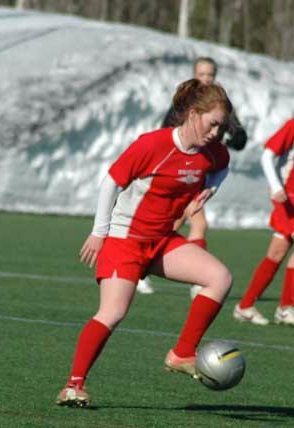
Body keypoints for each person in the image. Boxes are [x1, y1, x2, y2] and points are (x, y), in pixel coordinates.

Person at [56, 78, 233, 408]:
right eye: (212, 124)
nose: (215, 134)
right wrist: (99, 231)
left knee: (220, 278)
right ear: (194, 113)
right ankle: (73, 385)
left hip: (162, 240)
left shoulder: (212, 152)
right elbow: (111, 182)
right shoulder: (153, 145)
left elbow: (222, 167)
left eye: (220, 128)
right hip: (124, 239)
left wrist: (210, 189)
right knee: (113, 312)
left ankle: (182, 353)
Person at [137, 56, 247, 296]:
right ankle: (191, 279)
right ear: (195, 74)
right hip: (181, 172)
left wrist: (235, 137)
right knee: (191, 222)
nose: (206, 78)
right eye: (202, 73)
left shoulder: (220, 103)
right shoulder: (187, 102)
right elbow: (169, 133)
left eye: (210, 74)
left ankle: (144, 267)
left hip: (202, 174)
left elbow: (237, 133)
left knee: (180, 222)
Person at [234, 119, 294, 326]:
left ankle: (245, 306)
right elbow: (268, 155)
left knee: (277, 251)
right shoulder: (293, 125)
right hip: (287, 198)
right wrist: (276, 186)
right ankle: (286, 307)